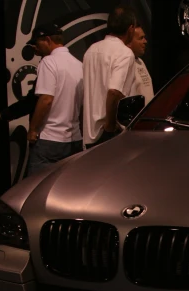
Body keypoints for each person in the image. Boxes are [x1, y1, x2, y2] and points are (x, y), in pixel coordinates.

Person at [24, 23, 84, 174]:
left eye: (37, 43)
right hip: (74, 139)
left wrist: (33, 130)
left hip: (49, 139)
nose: (36, 49)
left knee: (36, 189)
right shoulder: (79, 64)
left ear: (48, 40)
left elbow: (46, 99)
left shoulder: (48, 62)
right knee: (67, 191)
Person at [82, 6, 138, 149]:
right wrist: (110, 126)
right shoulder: (125, 53)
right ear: (131, 28)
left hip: (90, 134)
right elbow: (114, 92)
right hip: (108, 133)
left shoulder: (91, 50)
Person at [128, 26, 154, 106]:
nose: (145, 41)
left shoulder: (140, 61)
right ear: (129, 42)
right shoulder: (126, 63)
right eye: (141, 38)